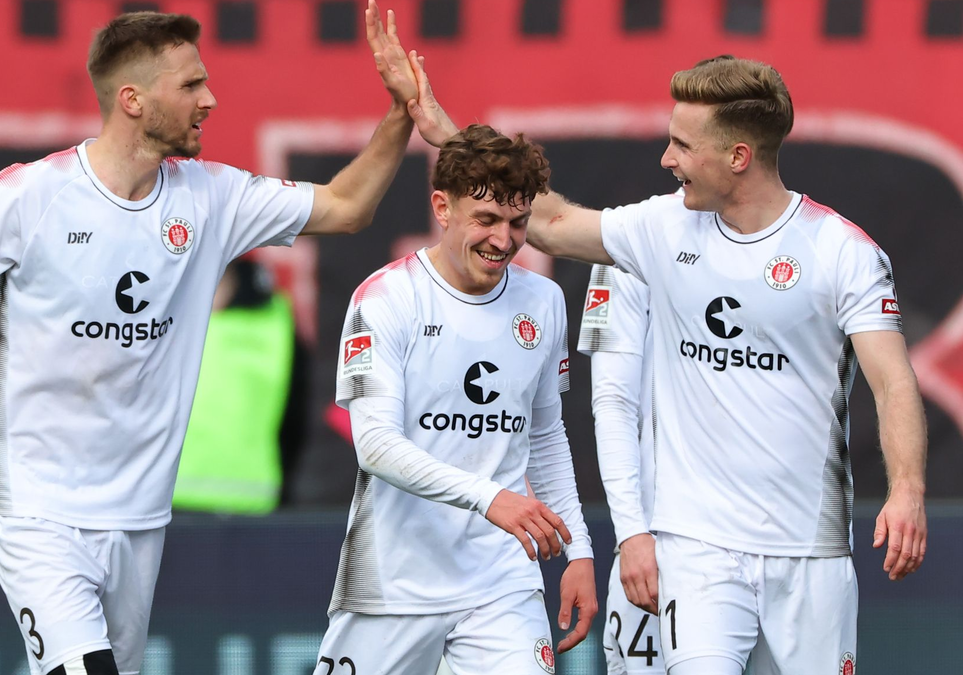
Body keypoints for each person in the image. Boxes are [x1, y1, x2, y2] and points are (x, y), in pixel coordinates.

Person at [0, 5, 420, 675]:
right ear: (133, 100)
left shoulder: (213, 197)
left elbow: (348, 207)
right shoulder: (31, 195)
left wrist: (400, 113)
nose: (210, 99)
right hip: (35, 510)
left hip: (138, 517)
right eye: (191, 85)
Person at [394, 49, 928, 673]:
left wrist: (908, 490)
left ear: (738, 157)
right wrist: (445, 134)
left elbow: (893, 383)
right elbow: (552, 222)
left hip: (811, 549)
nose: (666, 159)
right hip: (695, 548)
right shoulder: (663, 227)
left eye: (682, 145)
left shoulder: (842, 252)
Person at [313, 122, 597, 675]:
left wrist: (579, 549)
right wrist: (490, 498)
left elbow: (545, 435)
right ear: (443, 207)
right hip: (392, 582)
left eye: (518, 223)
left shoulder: (544, 301)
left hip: (502, 580)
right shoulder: (386, 298)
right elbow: (375, 446)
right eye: (486, 219)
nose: (503, 241)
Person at [577, 265, 662, 675]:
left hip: (795, 540)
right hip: (667, 539)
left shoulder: (826, 244)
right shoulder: (623, 250)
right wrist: (631, 532)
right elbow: (612, 403)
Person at [172, 257, 307, 513]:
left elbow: (297, 417)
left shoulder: (274, 318)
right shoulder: (145, 311)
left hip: (251, 505)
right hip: (156, 501)